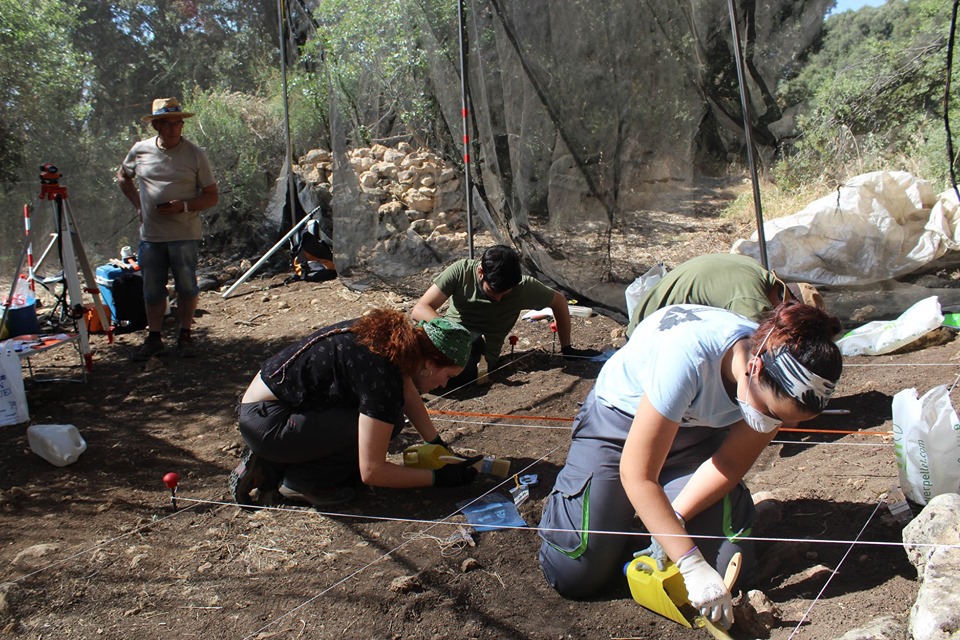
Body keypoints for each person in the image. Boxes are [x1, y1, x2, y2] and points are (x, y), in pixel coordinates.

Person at [538, 301, 842, 630]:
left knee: (726, 568)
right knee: (574, 572)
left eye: (788, 420)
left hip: (694, 438)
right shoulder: (687, 355)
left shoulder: (773, 380)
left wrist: (676, 520)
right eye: (772, 412)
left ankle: (645, 518)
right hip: (618, 430)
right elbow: (638, 474)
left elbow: (728, 463)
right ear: (753, 367)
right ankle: (587, 504)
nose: (780, 426)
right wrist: (689, 562)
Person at [229, 310, 480, 507]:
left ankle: (274, 462)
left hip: (272, 408)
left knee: (386, 419)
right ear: (429, 363)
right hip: (269, 420)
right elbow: (372, 471)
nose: (444, 384)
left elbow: (409, 394)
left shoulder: (397, 343)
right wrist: (438, 478)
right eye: (448, 376)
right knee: (389, 421)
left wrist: (437, 444)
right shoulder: (382, 371)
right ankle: (302, 481)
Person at [117, 97, 219, 360]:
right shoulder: (140, 150)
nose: (175, 128)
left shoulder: (195, 154)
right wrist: (138, 205)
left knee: (187, 287)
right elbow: (122, 176)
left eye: (179, 122)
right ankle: (154, 338)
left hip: (184, 234)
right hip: (151, 236)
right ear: (157, 126)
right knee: (152, 289)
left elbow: (211, 196)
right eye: (169, 123)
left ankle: (185, 335)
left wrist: (183, 206)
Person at [412, 245, 600, 385]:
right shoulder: (462, 272)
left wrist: (567, 348)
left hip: (479, 355)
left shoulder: (524, 288)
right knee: (409, 351)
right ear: (480, 273)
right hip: (447, 336)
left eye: (505, 293)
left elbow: (559, 302)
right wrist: (448, 328)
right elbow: (420, 309)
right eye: (494, 291)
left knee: (442, 373)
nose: (499, 298)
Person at [625, 253, 822, 338]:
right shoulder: (750, 298)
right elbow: (756, 350)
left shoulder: (755, 270)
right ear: (784, 306)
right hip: (646, 339)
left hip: (652, 324)